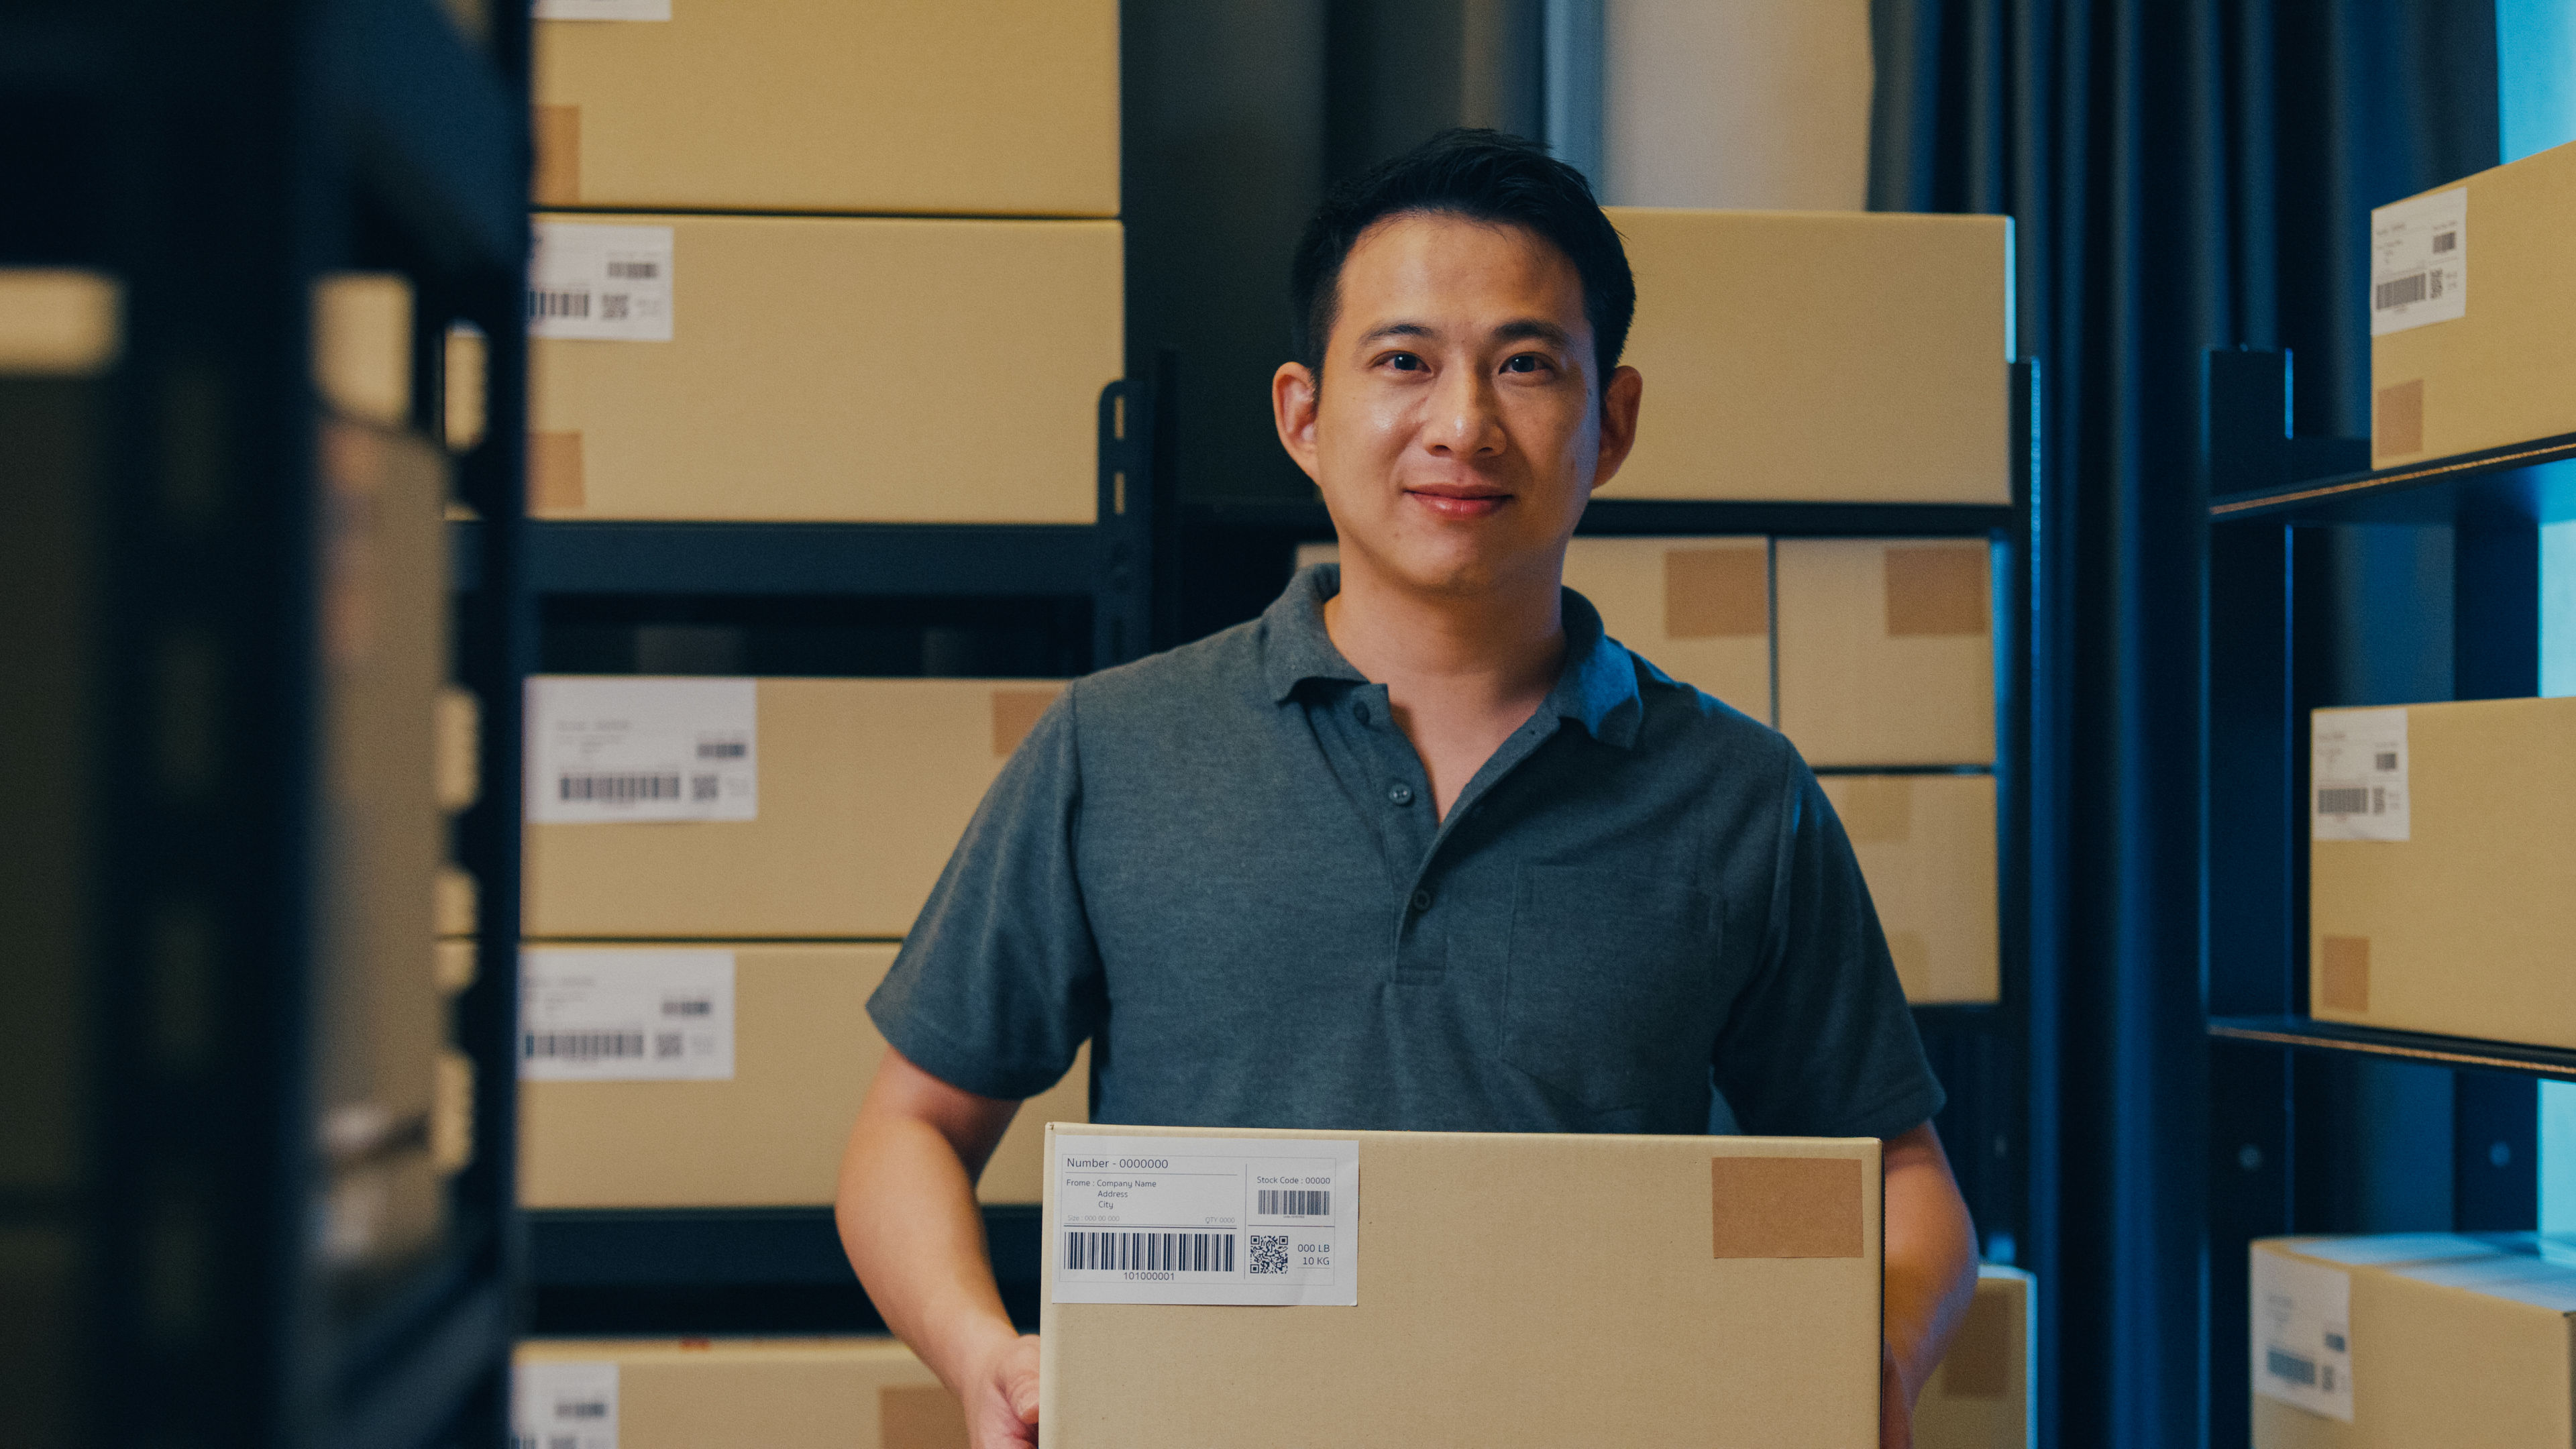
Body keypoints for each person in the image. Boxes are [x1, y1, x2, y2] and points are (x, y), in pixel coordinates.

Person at [837, 128, 1978, 1449]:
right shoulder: (1116, 748)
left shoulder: (1737, 795)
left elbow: (1905, 1180)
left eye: (1526, 365)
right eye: (1404, 361)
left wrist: (1874, 1360)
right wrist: (987, 1357)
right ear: (1303, 417)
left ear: (1610, 424)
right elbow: (909, 1127)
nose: (1463, 425)